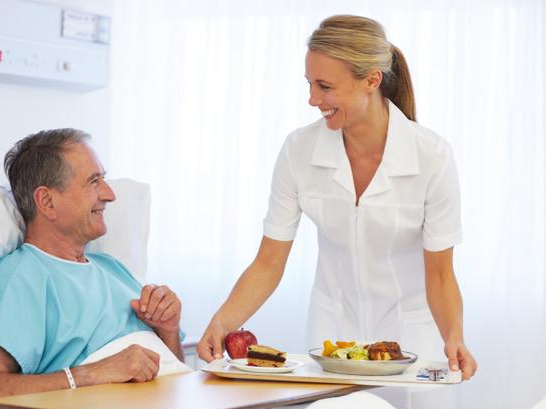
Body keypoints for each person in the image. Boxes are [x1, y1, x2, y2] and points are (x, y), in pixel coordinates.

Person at [198, 15, 477, 382]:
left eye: (325, 86)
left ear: (371, 80)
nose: (313, 99)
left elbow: (440, 274)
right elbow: (269, 262)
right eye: (310, 84)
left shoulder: (431, 156)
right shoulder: (299, 150)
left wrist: (454, 336)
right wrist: (221, 322)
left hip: (411, 343)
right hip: (331, 340)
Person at [0, 129, 184, 409]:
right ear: (47, 202)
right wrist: (93, 375)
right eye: (94, 181)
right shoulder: (23, 276)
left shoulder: (112, 268)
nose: (110, 194)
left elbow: (171, 368)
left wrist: (168, 329)